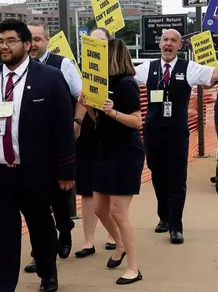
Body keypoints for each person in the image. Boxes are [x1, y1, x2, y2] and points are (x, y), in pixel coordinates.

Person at [0, 20, 86, 271]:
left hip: (36, 173)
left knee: (41, 228)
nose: (4, 46)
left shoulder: (50, 78)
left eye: (11, 41)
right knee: (1, 238)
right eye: (1, 41)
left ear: (27, 45)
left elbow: (62, 127)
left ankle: (47, 272)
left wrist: (66, 171)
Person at [134, 28, 218, 244]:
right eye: (165, 40)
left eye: (173, 41)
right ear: (159, 44)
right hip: (152, 132)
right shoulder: (148, 68)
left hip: (177, 133)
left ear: (179, 46)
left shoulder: (188, 68)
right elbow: (123, 76)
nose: (168, 44)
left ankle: (176, 226)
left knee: (176, 178)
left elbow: (217, 73)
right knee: (157, 175)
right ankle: (164, 216)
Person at [78, 38, 144, 285]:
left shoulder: (127, 84)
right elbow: (99, 122)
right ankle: (119, 244)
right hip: (104, 150)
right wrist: (91, 108)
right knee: (98, 207)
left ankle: (133, 267)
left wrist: (112, 112)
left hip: (126, 152)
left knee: (119, 211)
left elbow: (137, 122)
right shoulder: (102, 84)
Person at [73, 27, 118, 260]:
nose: (96, 45)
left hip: (111, 133)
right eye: (91, 41)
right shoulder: (83, 72)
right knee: (87, 189)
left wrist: (91, 112)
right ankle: (89, 241)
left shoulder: (119, 75)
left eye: (101, 41)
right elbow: (81, 102)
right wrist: (79, 119)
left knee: (108, 187)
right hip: (88, 136)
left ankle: (113, 235)